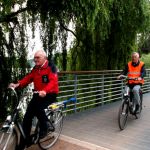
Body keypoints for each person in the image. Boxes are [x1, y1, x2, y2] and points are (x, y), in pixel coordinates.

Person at [9, 50, 59, 149]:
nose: (35, 59)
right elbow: (28, 78)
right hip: (37, 94)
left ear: (44, 58)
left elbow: (53, 81)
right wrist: (17, 84)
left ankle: (45, 126)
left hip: (50, 94)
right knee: (27, 118)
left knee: (39, 108)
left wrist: (45, 91)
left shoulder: (51, 67)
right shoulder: (36, 68)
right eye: (34, 57)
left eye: (37, 57)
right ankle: (24, 142)